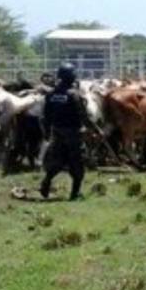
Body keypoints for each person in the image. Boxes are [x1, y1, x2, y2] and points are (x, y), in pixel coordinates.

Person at [39, 63, 93, 201]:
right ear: (71, 77)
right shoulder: (74, 95)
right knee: (78, 162)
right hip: (73, 133)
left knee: (58, 160)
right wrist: (95, 129)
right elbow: (84, 116)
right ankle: (75, 194)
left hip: (57, 132)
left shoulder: (51, 95)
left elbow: (46, 116)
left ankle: (46, 182)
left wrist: (46, 133)